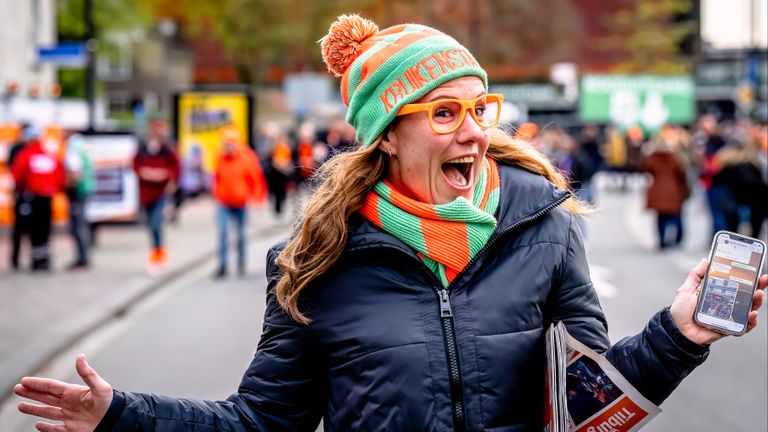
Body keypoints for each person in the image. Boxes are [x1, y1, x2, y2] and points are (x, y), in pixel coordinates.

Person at [13, 15, 767, 431]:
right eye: (444, 113)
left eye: (479, 108)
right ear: (388, 133)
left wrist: (680, 335)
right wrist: (123, 417)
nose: (473, 132)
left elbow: (584, 407)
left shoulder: (548, 228)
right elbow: (259, 425)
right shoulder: (312, 260)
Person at [211, 126, 266, 279]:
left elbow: (256, 178)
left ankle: (241, 264)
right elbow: (217, 176)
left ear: (236, 143)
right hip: (223, 202)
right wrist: (216, 192)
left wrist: (258, 198)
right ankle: (222, 266)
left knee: (241, 235)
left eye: (230, 143)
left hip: (241, 203)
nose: (227, 146)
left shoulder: (247, 157)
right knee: (222, 234)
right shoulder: (220, 157)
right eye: (225, 143)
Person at [10, 125, 66, 271]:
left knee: (30, 229)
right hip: (47, 198)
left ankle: (30, 260)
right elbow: (60, 176)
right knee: (45, 230)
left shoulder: (26, 155)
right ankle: (43, 260)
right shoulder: (49, 156)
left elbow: (17, 176)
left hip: (30, 197)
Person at [132, 121, 180, 272]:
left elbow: (176, 168)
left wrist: (166, 177)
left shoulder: (167, 151)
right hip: (146, 193)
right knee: (150, 226)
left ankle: (158, 257)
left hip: (160, 192)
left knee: (156, 223)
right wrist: (145, 172)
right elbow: (135, 165)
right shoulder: (143, 150)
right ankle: (156, 254)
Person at [639, 137, 690, 249]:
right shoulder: (675, 158)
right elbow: (682, 174)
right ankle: (675, 239)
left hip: (657, 191)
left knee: (660, 217)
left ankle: (662, 240)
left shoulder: (652, 158)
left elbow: (643, 168)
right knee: (674, 216)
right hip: (673, 190)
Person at [63, 133, 95, 270]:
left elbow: (75, 174)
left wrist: (65, 186)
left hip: (77, 192)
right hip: (86, 190)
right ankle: (84, 256)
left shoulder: (72, 150)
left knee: (77, 225)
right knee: (82, 223)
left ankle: (82, 258)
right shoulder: (84, 150)